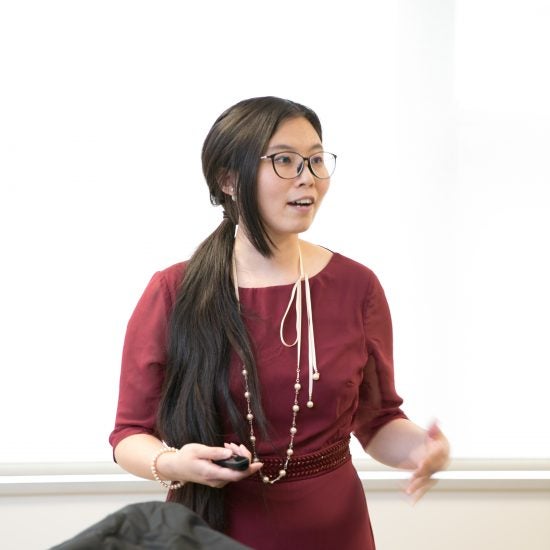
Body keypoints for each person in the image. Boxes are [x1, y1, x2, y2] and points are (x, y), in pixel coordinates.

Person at [109, 96, 450, 550]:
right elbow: (130, 433)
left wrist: (423, 451)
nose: (307, 176)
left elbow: (378, 419)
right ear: (229, 179)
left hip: (336, 530)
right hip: (211, 531)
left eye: (315, 159)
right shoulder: (174, 291)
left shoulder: (357, 286)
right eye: (285, 160)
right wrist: (173, 465)